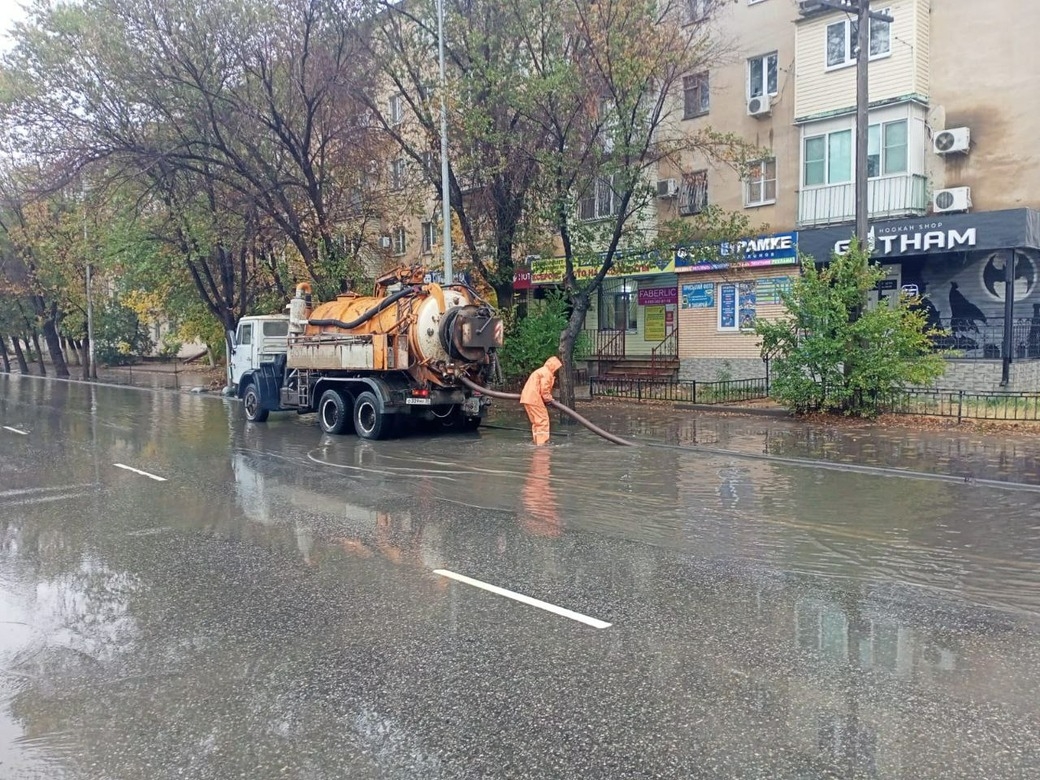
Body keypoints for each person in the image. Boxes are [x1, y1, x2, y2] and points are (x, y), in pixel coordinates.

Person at [519, 356, 562, 445]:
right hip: (534, 398)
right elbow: (544, 389)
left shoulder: (542, 371)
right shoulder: (547, 373)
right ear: (554, 366)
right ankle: (542, 444)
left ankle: (537, 442)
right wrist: (549, 399)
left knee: (536, 422)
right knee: (543, 420)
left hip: (527, 398)